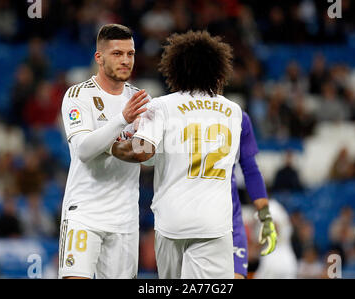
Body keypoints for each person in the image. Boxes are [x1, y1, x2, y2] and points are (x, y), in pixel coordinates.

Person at [112, 30, 277, 279]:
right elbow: (249, 167)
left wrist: (113, 146)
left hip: (171, 219)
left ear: (175, 68)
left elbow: (143, 152)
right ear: (218, 70)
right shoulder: (234, 112)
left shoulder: (161, 105)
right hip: (215, 222)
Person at [58, 24, 150, 279]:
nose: (126, 60)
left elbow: (148, 156)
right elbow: (84, 150)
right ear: (99, 57)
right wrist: (122, 119)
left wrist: (147, 145)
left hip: (125, 219)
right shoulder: (78, 95)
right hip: (84, 214)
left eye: (130, 54)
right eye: (117, 54)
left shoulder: (142, 100)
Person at [231, 111, 274, 279]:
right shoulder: (170, 109)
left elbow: (250, 170)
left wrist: (265, 217)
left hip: (230, 221)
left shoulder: (237, 116)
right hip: (190, 223)